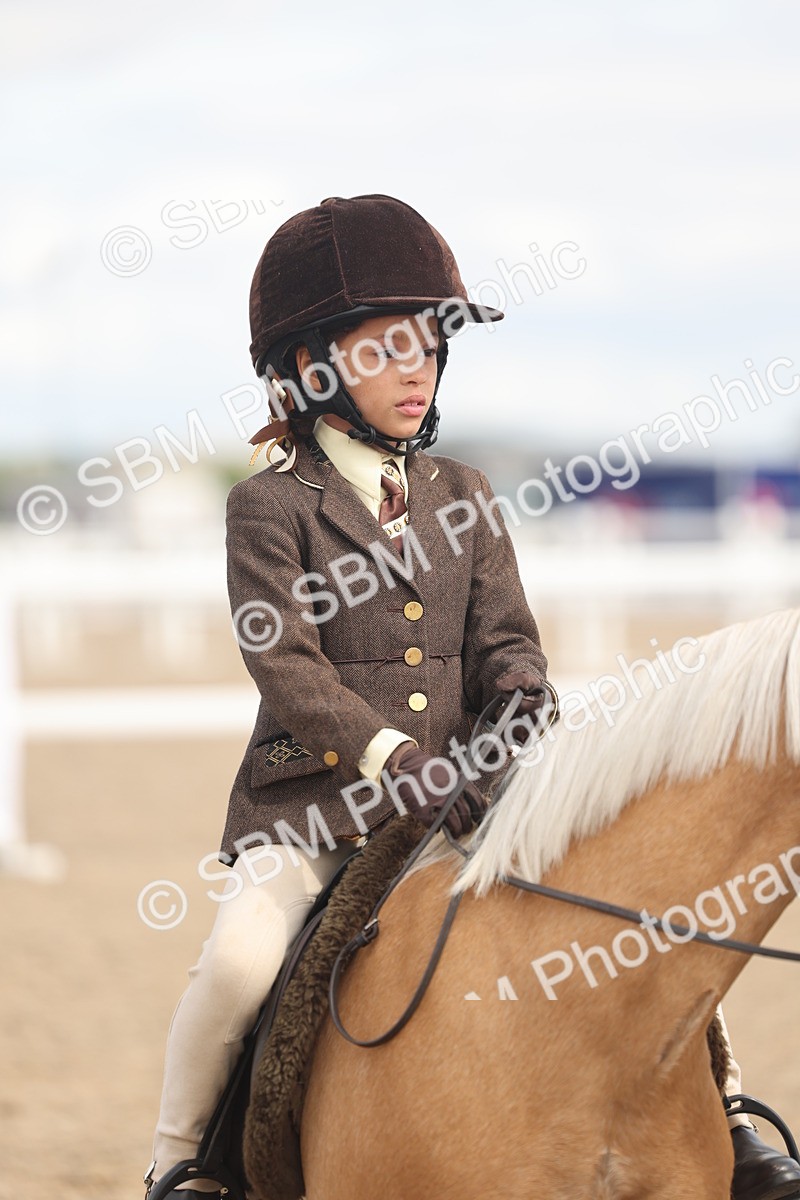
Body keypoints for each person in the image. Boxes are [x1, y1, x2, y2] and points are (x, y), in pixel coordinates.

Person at [144, 194, 800, 1200]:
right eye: (384, 350)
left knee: (639, 918)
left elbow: (505, 645)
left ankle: (730, 1118)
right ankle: (182, 1161)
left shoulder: (466, 496)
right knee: (237, 958)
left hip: (472, 797)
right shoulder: (268, 507)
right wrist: (393, 760)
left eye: (428, 348)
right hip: (319, 804)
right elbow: (287, 668)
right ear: (312, 367)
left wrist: (521, 703)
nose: (417, 370)